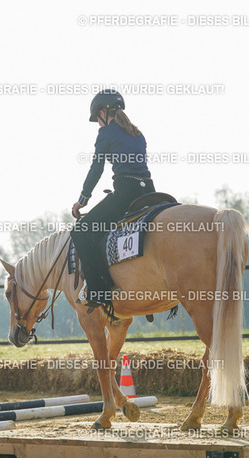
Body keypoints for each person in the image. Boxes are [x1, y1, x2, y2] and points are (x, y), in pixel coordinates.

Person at [71, 89, 155, 311]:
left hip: (126, 192)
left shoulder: (106, 133)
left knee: (80, 232)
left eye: (97, 119)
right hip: (149, 191)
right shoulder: (138, 134)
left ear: (102, 112)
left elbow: (96, 168)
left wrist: (82, 200)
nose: (98, 124)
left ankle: (98, 290)